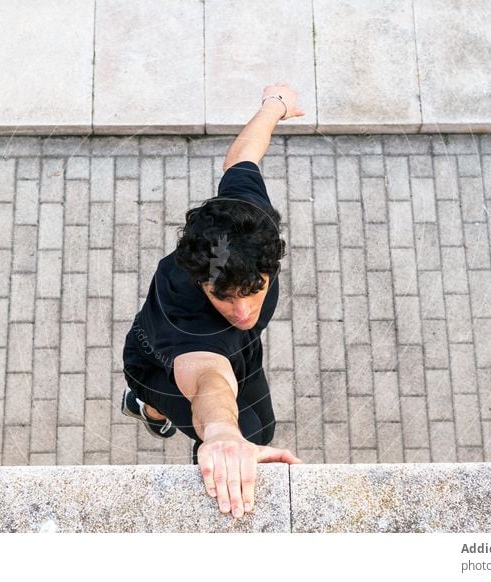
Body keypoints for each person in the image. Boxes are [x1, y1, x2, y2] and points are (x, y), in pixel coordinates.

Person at [121, 83, 306, 520]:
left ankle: (147, 409)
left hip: (235, 354)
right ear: (200, 282)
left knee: (258, 424)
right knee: (249, 430)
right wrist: (221, 434)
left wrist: (274, 106)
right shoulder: (184, 308)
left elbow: (241, 160)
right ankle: (149, 401)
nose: (243, 312)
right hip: (162, 361)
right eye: (223, 298)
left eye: (255, 290)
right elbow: (208, 380)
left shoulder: (242, 221)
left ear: (272, 264)